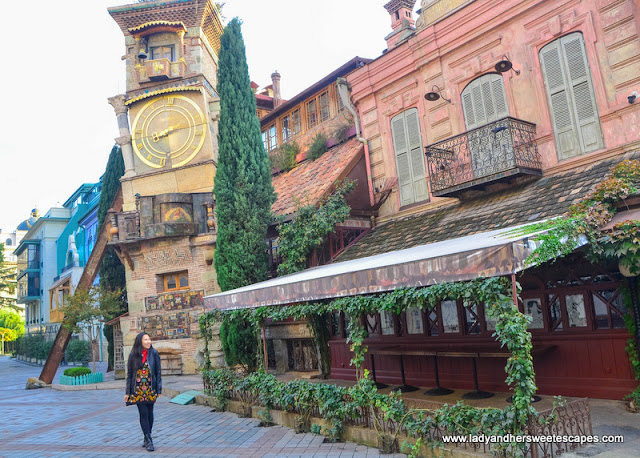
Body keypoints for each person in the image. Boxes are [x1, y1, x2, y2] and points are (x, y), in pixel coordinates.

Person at [124, 332, 162, 452]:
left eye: (149, 339)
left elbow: (158, 372)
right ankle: (149, 440)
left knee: (150, 414)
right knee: (143, 413)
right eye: (145, 339)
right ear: (140, 341)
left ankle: (147, 436)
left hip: (151, 389)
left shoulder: (154, 353)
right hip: (138, 390)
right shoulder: (133, 355)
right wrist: (127, 392)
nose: (148, 341)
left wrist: (159, 389)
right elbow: (130, 375)